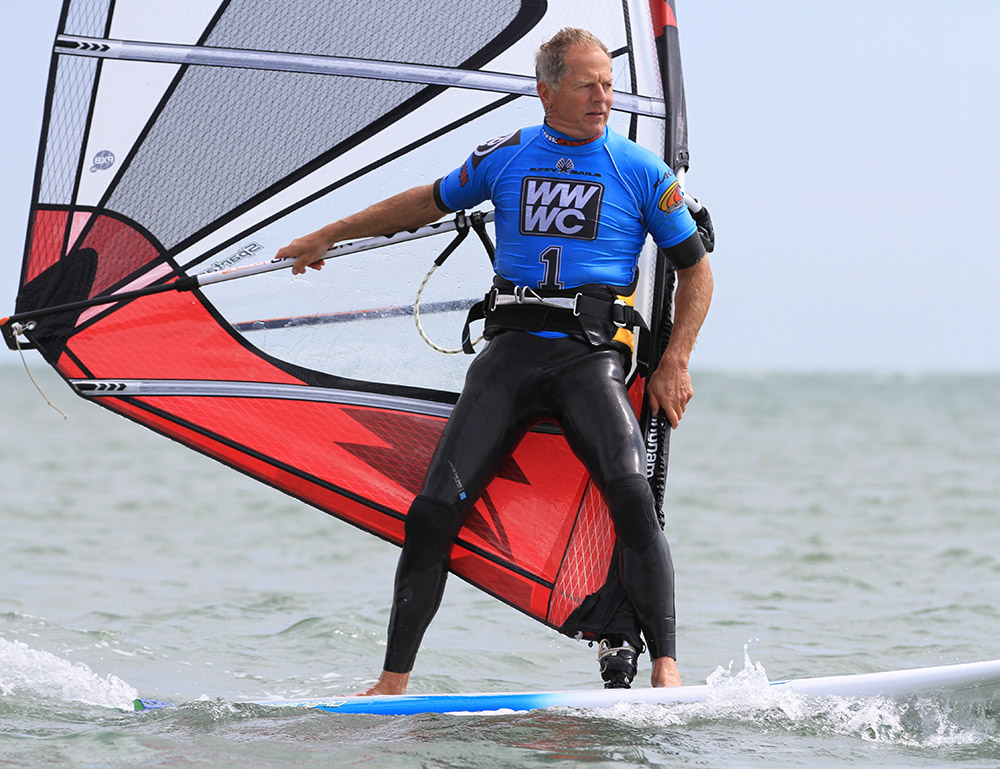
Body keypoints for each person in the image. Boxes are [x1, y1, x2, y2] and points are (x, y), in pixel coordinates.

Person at [277, 28, 714, 695]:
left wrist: (676, 360)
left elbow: (696, 270)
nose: (602, 97)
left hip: (591, 357)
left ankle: (666, 668)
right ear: (547, 90)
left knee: (632, 496)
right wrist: (330, 234)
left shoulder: (641, 171)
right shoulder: (505, 156)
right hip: (509, 355)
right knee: (431, 513)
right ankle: (391, 683)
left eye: (608, 84)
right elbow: (424, 200)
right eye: (587, 85)